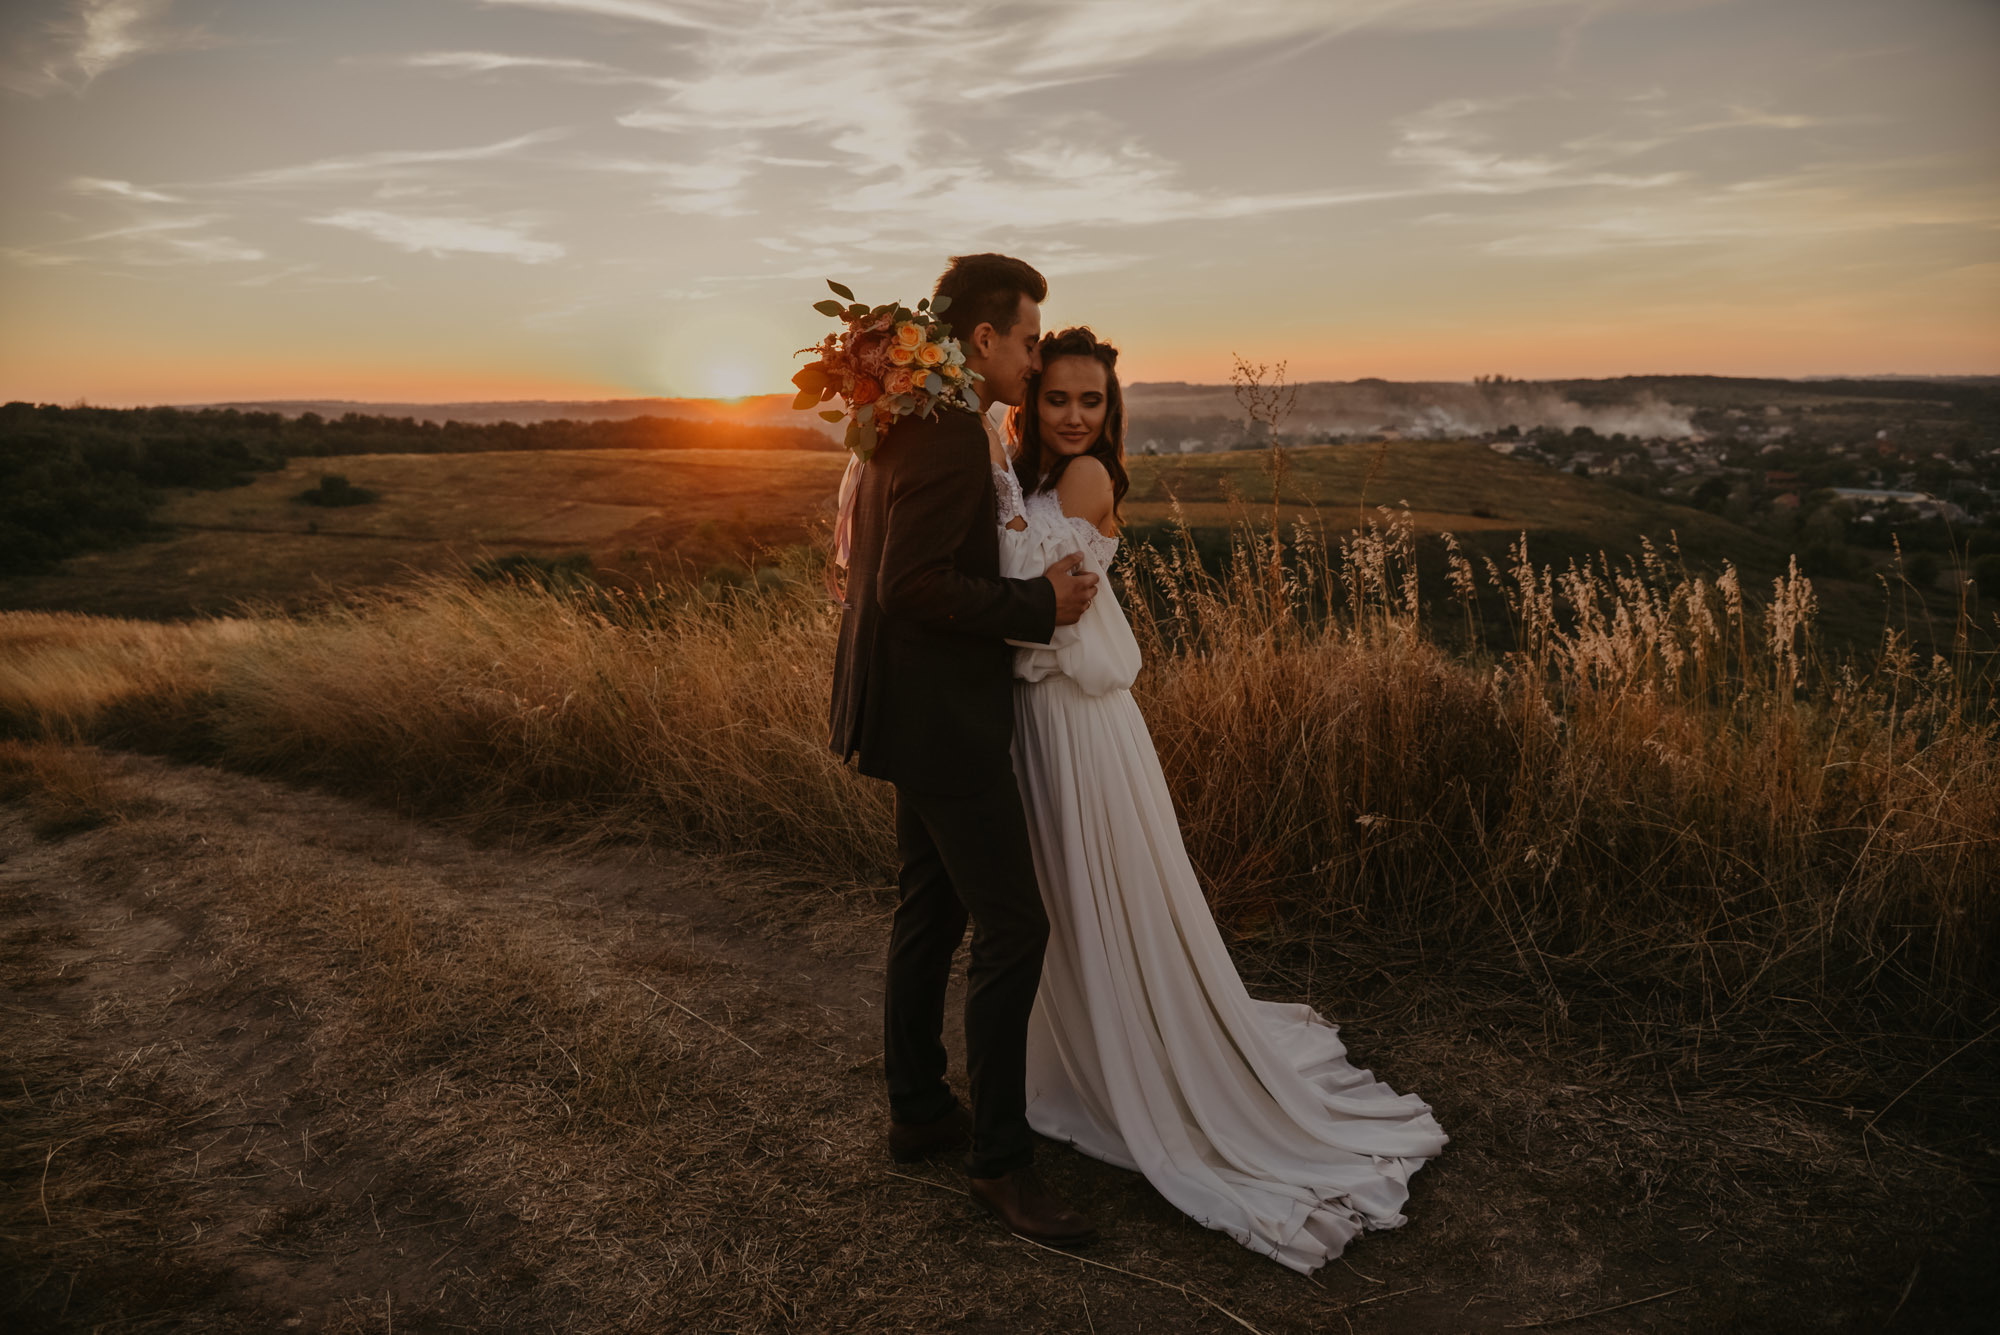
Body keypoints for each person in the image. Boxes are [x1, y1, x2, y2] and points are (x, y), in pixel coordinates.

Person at [992, 326, 1449, 1274]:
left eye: (1092, 401)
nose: (1076, 415)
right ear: (1031, 403)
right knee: (1061, 903)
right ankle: (1088, 1047)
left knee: (1091, 893)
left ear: (1111, 410)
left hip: (1077, 720)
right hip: (1038, 721)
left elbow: (1040, 605)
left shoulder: (1084, 483)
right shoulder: (1029, 469)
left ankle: (1134, 1064)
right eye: (1057, 399)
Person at [828, 253, 1101, 1246]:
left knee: (928, 905)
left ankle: (916, 1109)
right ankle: (999, 1160)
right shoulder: (944, 431)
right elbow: (912, 585)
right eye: (1027, 341)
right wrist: (1039, 603)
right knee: (1012, 927)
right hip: (942, 718)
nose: (1033, 361)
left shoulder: (910, 414)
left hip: (903, 709)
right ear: (981, 339)